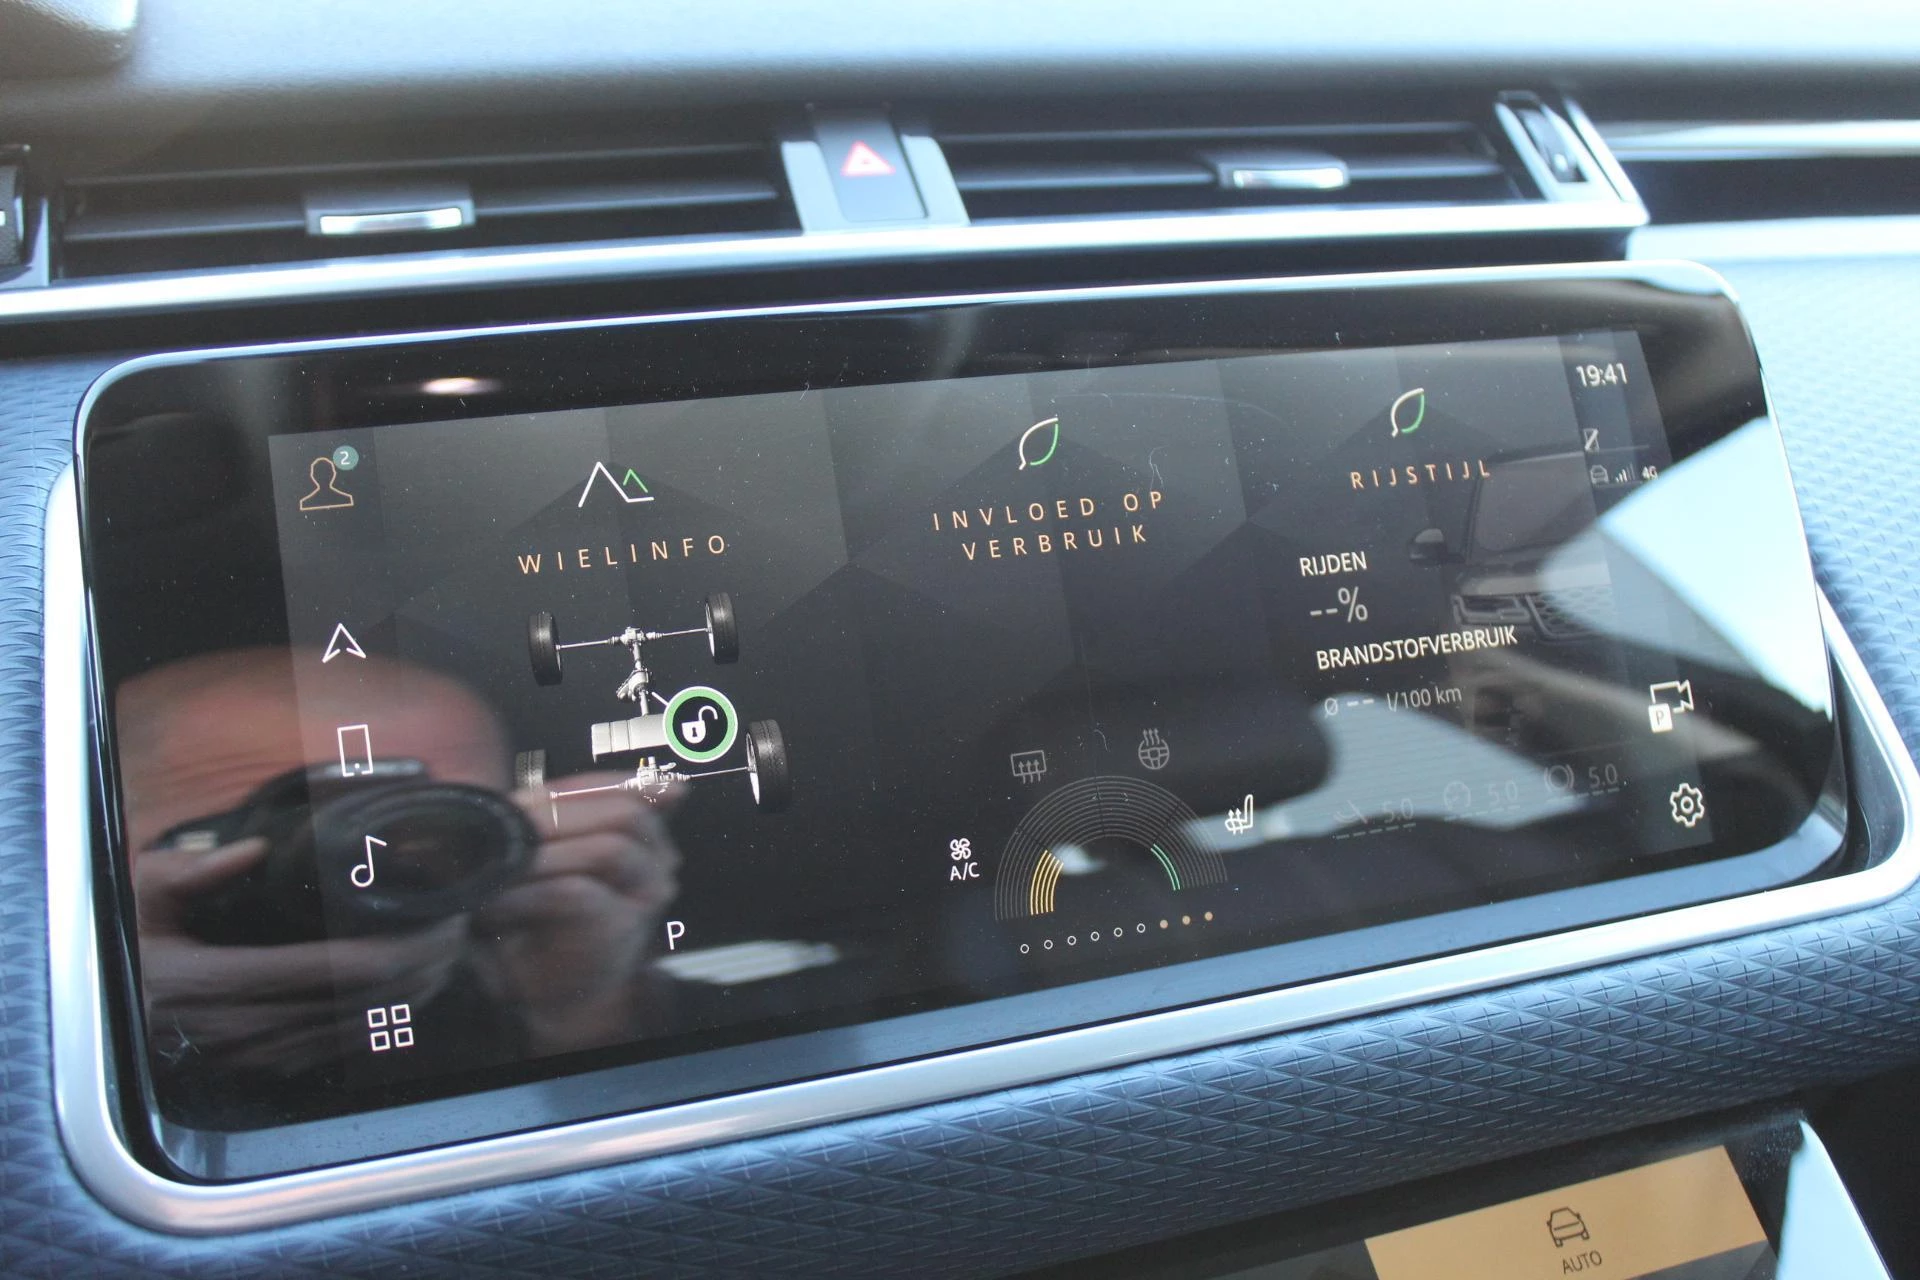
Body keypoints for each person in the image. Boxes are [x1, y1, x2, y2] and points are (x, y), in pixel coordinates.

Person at [116, 647, 680, 1097]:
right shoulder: (80, 1011)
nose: (376, 865)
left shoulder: (509, 959)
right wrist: (122, 1028)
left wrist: (577, 1011)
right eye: (298, 830)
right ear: (102, 857)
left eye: (443, 831)